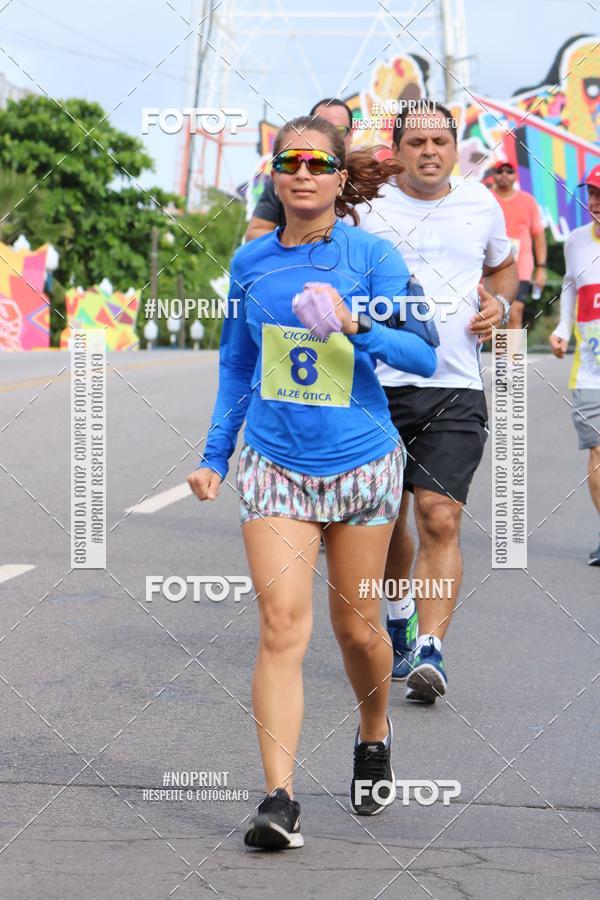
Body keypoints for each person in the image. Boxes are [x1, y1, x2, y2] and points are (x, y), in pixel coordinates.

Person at [187, 116, 437, 850]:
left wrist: (357, 324)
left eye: (317, 163)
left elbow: (423, 353)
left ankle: (372, 730)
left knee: (358, 633)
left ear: (337, 177)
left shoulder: (371, 255)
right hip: (274, 465)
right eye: (288, 161)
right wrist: (214, 454)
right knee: (279, 625)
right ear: (274, 175)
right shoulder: (251, 263)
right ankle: (279, 799)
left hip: (361, 465)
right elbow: (237, 363)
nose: (302, 173)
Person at [355, 100, 518, 702]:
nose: (429, 151)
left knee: (438, 517)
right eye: (416, 141)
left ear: (455, 149)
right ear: (395, 149)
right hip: (373, 387)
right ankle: (397, 614)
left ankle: (430, 648)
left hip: (454, 387)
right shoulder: (365, 207)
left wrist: (499, 305)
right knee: (388, 521)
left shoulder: (481, 203)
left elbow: (503, 268)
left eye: (440, 141)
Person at [549, 165, 600, 566]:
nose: (595, 202)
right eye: (593, 194)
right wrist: (563, 328)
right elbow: (569, 285)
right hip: (590, 371)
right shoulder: (576, 241)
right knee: (597, 451)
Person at [244, 98, 354, 241]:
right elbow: (255, 233)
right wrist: (293, 249)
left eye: (338, 130)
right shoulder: (287, 177)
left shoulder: (372, 182)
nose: (303, 175)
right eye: (320, 128)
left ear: (341, 180)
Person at [491, 161, 547, 331]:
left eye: (509, 171)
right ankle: (501, 358)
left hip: (520, 267)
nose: (504, 175)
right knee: (496, 313)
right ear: (493, 174)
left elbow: (538, 236)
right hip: (491, 266)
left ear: (515, 175)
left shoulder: (528, 201)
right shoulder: (486, 199)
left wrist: (541, 268)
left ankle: (514, 357)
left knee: (515, 311)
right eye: (500, 171)